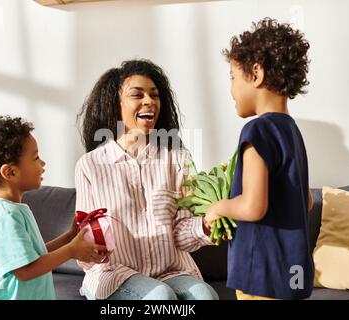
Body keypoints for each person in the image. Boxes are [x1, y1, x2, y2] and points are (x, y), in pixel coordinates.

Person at [75, 59, 219, 300]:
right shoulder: (90, 165)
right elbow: (86, 240)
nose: (149, 101)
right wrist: (91, 248)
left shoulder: (177, 160)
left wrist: (205, 225)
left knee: (206, 297)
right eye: (137, 95)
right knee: (160, 298)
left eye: (155, 95)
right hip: (116, 273)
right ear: (116, 104)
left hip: (171, 270)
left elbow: (181, 232)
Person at [205, 18, 314, 300]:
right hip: (293, 273)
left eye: (232, 77)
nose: (230, 89)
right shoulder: (291, 131)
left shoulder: (258, 129)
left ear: (256, 73)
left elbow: (253, 206)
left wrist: (218, 207)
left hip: (262, 276)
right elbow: (308, 201)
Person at [0, 115, 107, 300]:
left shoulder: (15, 209)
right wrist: (71, 250)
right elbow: (25, 270)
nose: (42, 163)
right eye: (36, 158)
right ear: (10, 172)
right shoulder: (5, 215)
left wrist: (69, 237)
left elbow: (33, 256)